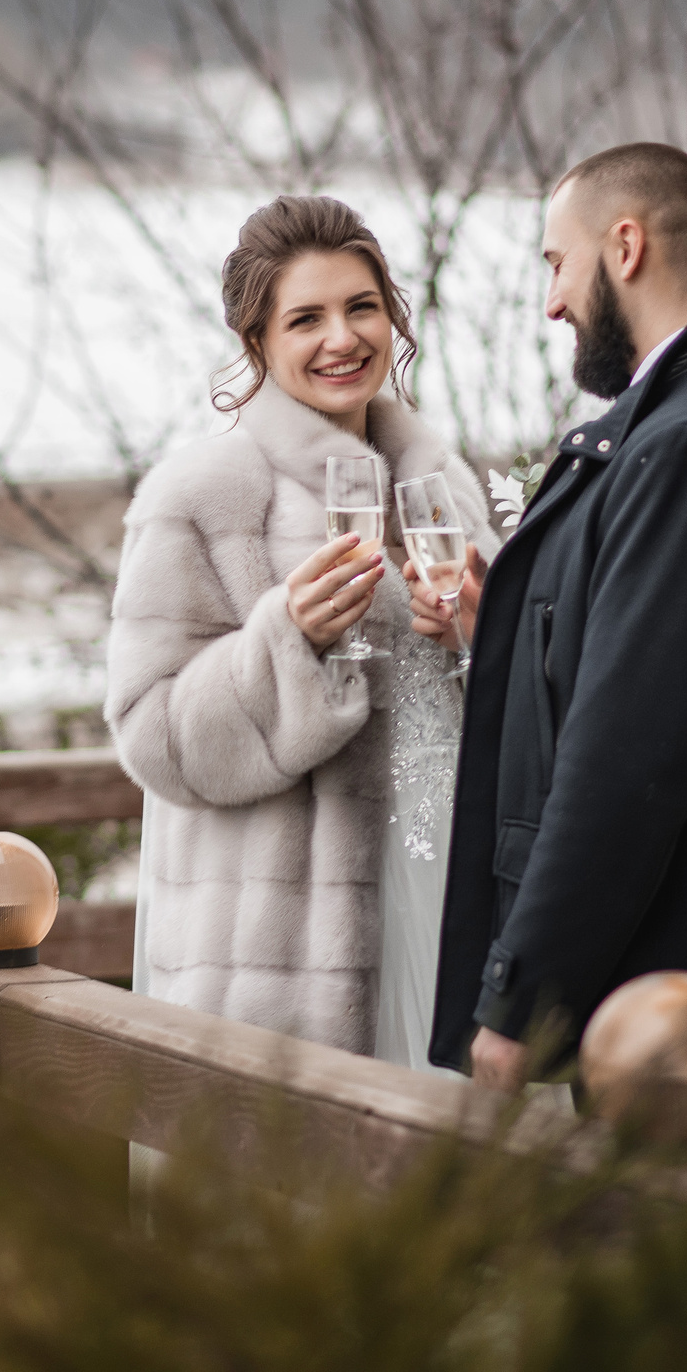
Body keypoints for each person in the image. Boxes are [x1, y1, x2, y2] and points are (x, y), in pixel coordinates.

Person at [416, 143, 687, 1088]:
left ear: (625, 246)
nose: (551, 302)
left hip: (668, 1005)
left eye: (556, 263)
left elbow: (631, 755)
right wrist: (508, 638)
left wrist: (521, 1000)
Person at [106, 194, 497, 1064]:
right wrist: (285, 642)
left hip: (454, 910)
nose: (342, 338)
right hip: (281, 958)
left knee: (469, 1187)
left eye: (362, 307)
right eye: (306, 317)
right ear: (257, 343)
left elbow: (527, 710)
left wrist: (479, 636)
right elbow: (151, 734)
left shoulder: (448, 489)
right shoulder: (201, 497)